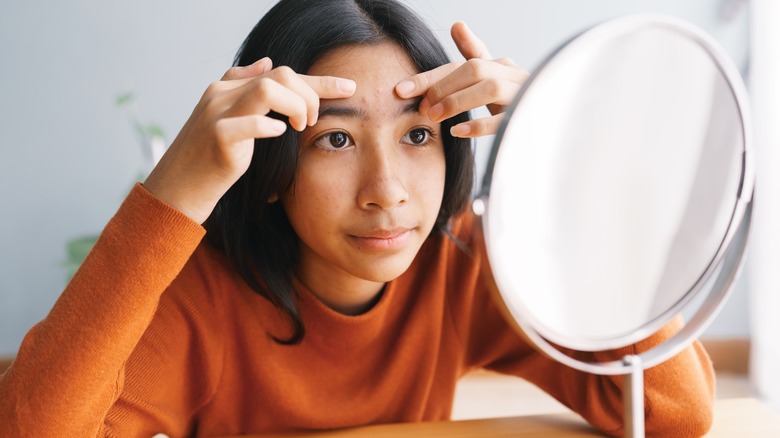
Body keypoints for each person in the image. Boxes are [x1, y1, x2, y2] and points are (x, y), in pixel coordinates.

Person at [0, 0, 715, 436]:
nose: (387, 191)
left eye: (417, 135)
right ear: (273, 167)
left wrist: (564, 161)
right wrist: (173, 194)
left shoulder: (465, 261)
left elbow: (676, 415)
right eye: (335, 139)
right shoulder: (204, 300)